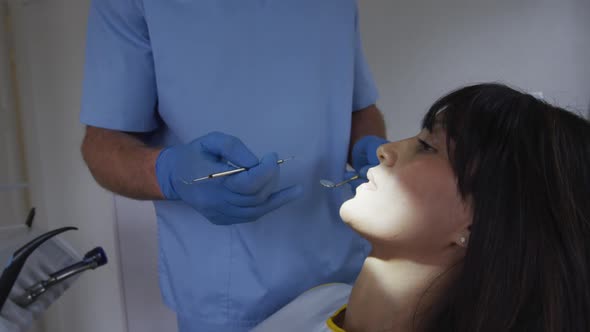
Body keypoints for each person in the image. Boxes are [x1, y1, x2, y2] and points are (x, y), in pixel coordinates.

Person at [78, 0, 388, 330]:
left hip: (344, 271)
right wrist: (168, 173)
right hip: (227, 299)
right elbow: (101, 145)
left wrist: (367, 150)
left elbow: (358, 108)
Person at [252, 83, 590, 332]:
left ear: (477, 227)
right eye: (418, 137)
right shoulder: (319, 301)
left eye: (427, 146)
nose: (385, 150)